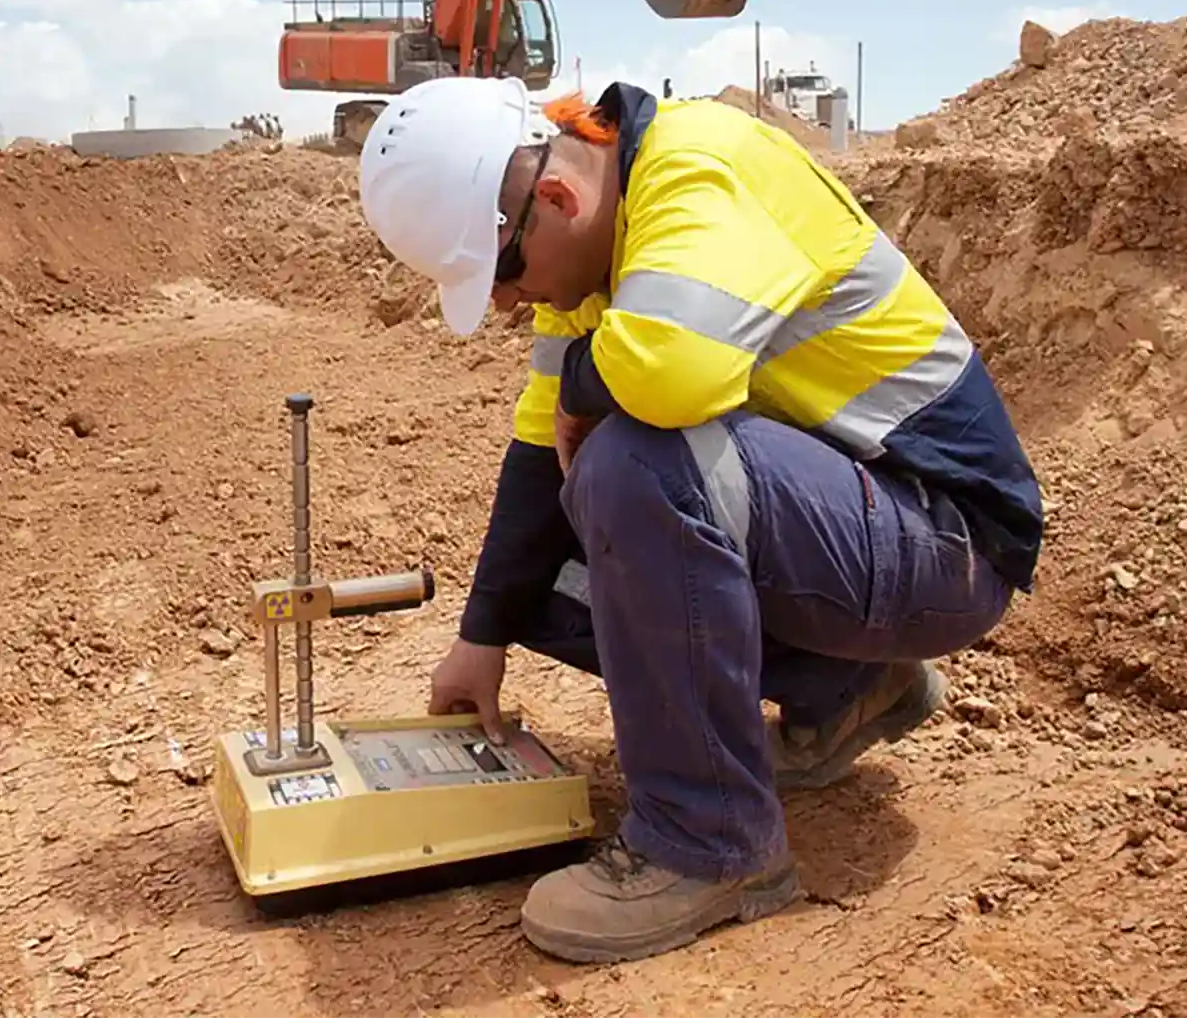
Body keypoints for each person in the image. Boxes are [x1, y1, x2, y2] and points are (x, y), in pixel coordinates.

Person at [356, 76, 1044, 965]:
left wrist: (580, 392)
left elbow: (671, 373)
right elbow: (537, 454)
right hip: (862, 531)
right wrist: (481, 635)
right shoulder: (596, 251)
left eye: (503, 276)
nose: (507, 305)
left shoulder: (694, 169)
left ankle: (707, 842)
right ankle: (847, 689)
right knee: (550, 564)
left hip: (947, 536)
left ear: (557, 198)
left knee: (635, 463)